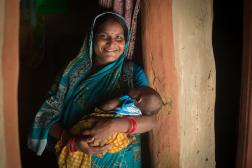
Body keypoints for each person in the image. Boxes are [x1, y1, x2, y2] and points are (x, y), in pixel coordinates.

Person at [28, 12, 161, 167]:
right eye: (104, 36)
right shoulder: (70, 73)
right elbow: (45, 116)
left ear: (126, 40)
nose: (112, 43)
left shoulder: (133, 72)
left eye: (119, 38)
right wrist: (73, 140)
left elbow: (151, 119)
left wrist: (112, 125)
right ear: (92, 38)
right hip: (74, 156)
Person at [55, 86, 163, 168]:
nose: (135, 87)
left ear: (138, 99)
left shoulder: (128, 101)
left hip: (101, 132)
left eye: (138, 88)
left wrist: (112, 125)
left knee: (90, 136)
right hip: (106, 140)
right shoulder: (140, 110)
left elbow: (152, 120)